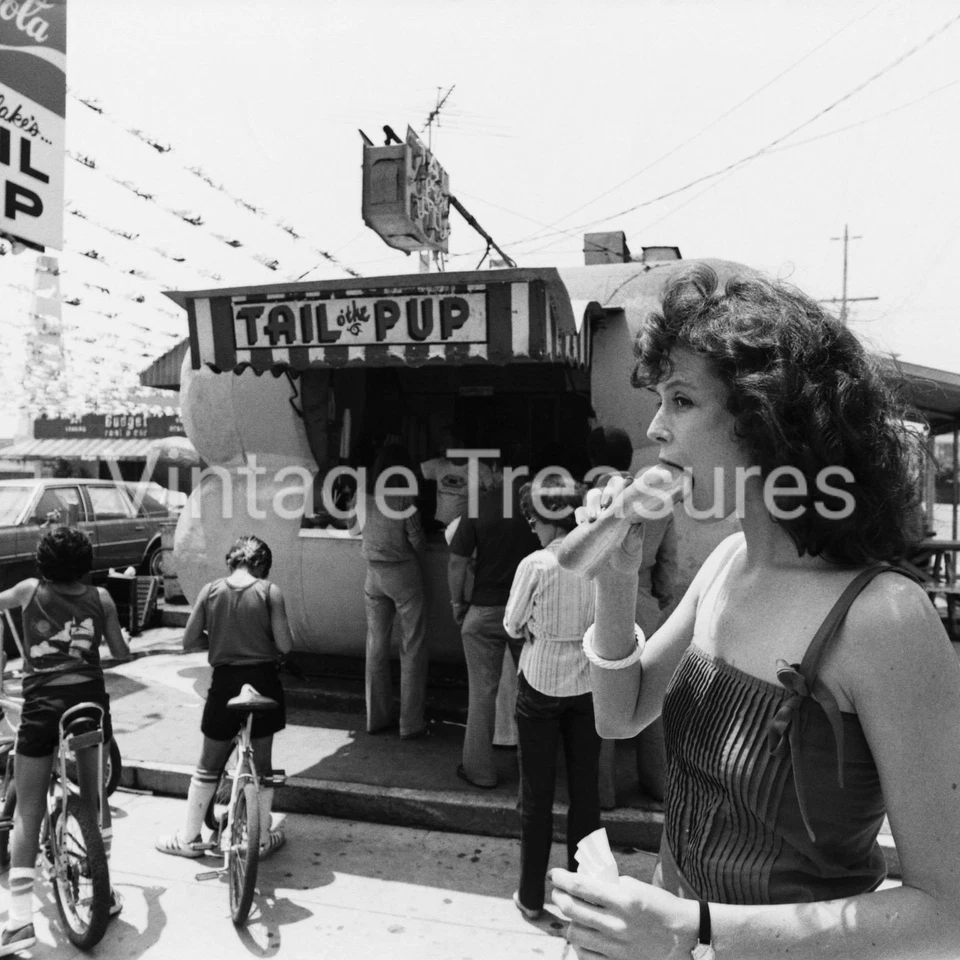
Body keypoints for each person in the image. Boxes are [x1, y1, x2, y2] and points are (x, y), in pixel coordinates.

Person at [550, 263, 960, 959]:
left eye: (681, 400)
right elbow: (619, 715)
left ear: (766, 421)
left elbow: (945, 913)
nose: (655, 428)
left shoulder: (884, 619)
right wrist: (616, 580)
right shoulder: (725, 566)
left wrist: (694, 930)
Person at [0, 527, 129, 956]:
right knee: (93, 796)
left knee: (28, 812)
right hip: (88, 705)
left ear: (43, 562)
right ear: (86, 561)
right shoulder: (103, 598)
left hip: (41, 709)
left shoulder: (28, 589)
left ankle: (19, 924)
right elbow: (120, 651)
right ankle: (103, 892)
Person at [156, 535, 292, 859]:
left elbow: (188, 641)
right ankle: (258, 839)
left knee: (207, 765)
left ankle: (189, 839)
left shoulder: (210, 591)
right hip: (263, 681)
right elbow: (285, 645)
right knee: (262, 765)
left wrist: (218, 640)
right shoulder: (269, 592)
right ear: (261, 565)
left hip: (225, 684)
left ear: (232, 561)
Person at [504, 475, 600, 920]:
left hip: (540, 681)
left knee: (536, 797)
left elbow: (511, 623)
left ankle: (531, 895)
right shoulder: (597, 558)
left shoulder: (536, 564)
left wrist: (533, 631)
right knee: (585, 794)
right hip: (586, 684)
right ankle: (583, 897)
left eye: (533, 518)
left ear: (546, 518)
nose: (531, 527)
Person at [586, 427, 678, 807]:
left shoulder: (592, 497)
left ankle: (604, 791)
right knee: (649, 697)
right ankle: (656, 782)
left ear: (592, 457)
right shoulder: (655, 500)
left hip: (605, 600)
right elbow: (668, 565)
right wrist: (658, 596)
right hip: (645, 600)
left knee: (604, 697)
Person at [448, 453, 539, 788]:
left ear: (500, 471)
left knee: (481, 695)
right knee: (533, 695)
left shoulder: (479, 505)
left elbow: (457, 563)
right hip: (527, 616)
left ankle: (479, 772)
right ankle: (533, 773)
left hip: (483, 611)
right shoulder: (540, 508)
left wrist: (458, 603)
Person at [351, 445, 430, 739]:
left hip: (373, 575)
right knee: (413, 645)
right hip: (404, 574)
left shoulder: (362, 497)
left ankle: (376, 718)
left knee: (376, 645)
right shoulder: (403, 498)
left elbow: (351, 530)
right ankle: (410, 723)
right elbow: (418, 540)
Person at [421, 425, 495, 536]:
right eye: (441, 442)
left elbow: (494, 500)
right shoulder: (437, 465)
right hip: (440, 532)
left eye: (446, 442)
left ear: (460, 445)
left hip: (465, 533)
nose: (441, 447)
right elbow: (403, 475)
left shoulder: (481, 469)